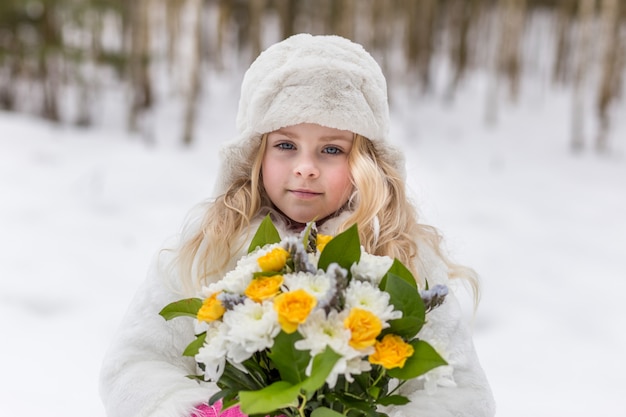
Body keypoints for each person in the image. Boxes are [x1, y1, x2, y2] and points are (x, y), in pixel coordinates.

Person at [99, 33, 495, 417]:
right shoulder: (210, 247)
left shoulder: (401, 257)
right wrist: (205, 411)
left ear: (366, 164)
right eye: (286, 145)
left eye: (331, 150)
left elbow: (460, 393)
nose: (305, 167)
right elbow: (135, 364)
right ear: (256, 154)